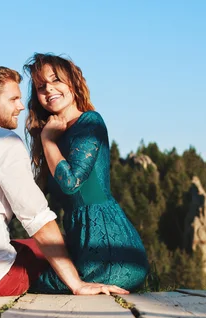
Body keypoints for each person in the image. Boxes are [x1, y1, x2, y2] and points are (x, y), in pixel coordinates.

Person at [0, 64, 129, 298]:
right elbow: (36, 218)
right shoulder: (3, 141)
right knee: (59, 253)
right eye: (13, 100)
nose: (21, 107)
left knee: (25, 245)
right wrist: (77, 285)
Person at [24, 53, 150, 293]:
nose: (48, 89)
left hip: (111, 251)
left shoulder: (90, 122)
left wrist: (48, 141)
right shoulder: (50, 134)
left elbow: (71, 183)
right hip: (76, 243)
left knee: (31, 282)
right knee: (17, 263)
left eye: (55, 80)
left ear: (72, 82)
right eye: (41, 86)